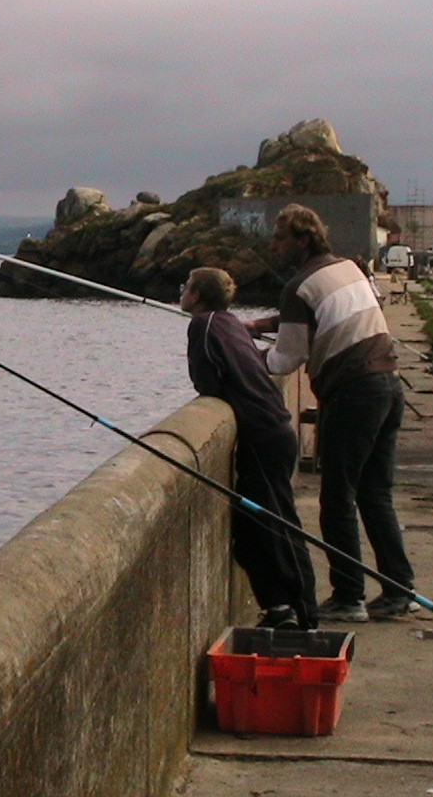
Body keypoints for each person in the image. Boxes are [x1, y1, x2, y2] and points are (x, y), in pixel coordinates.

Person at [244, 204, 415, 623]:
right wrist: (260, 324)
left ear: (302, 239)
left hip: (352, 393)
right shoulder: (348, 268)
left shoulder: (298, 286)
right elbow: (327, 318)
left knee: (337, 498)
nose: (275, 244)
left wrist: (244, 355)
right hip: (388, 384)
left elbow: (287, 359)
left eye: (281, 237)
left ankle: (348, 596)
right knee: (375, 494)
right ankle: (399, 589)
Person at [180, 266, 318, 630]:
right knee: (265, 525)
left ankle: (296, 612)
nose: (183, 291)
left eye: (187, 286)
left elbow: (207, 379)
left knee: (271, 527)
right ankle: (289, 609)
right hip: (275, 430)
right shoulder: (229, 323)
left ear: (197, 296)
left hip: (261, 435)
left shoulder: (203, 325)